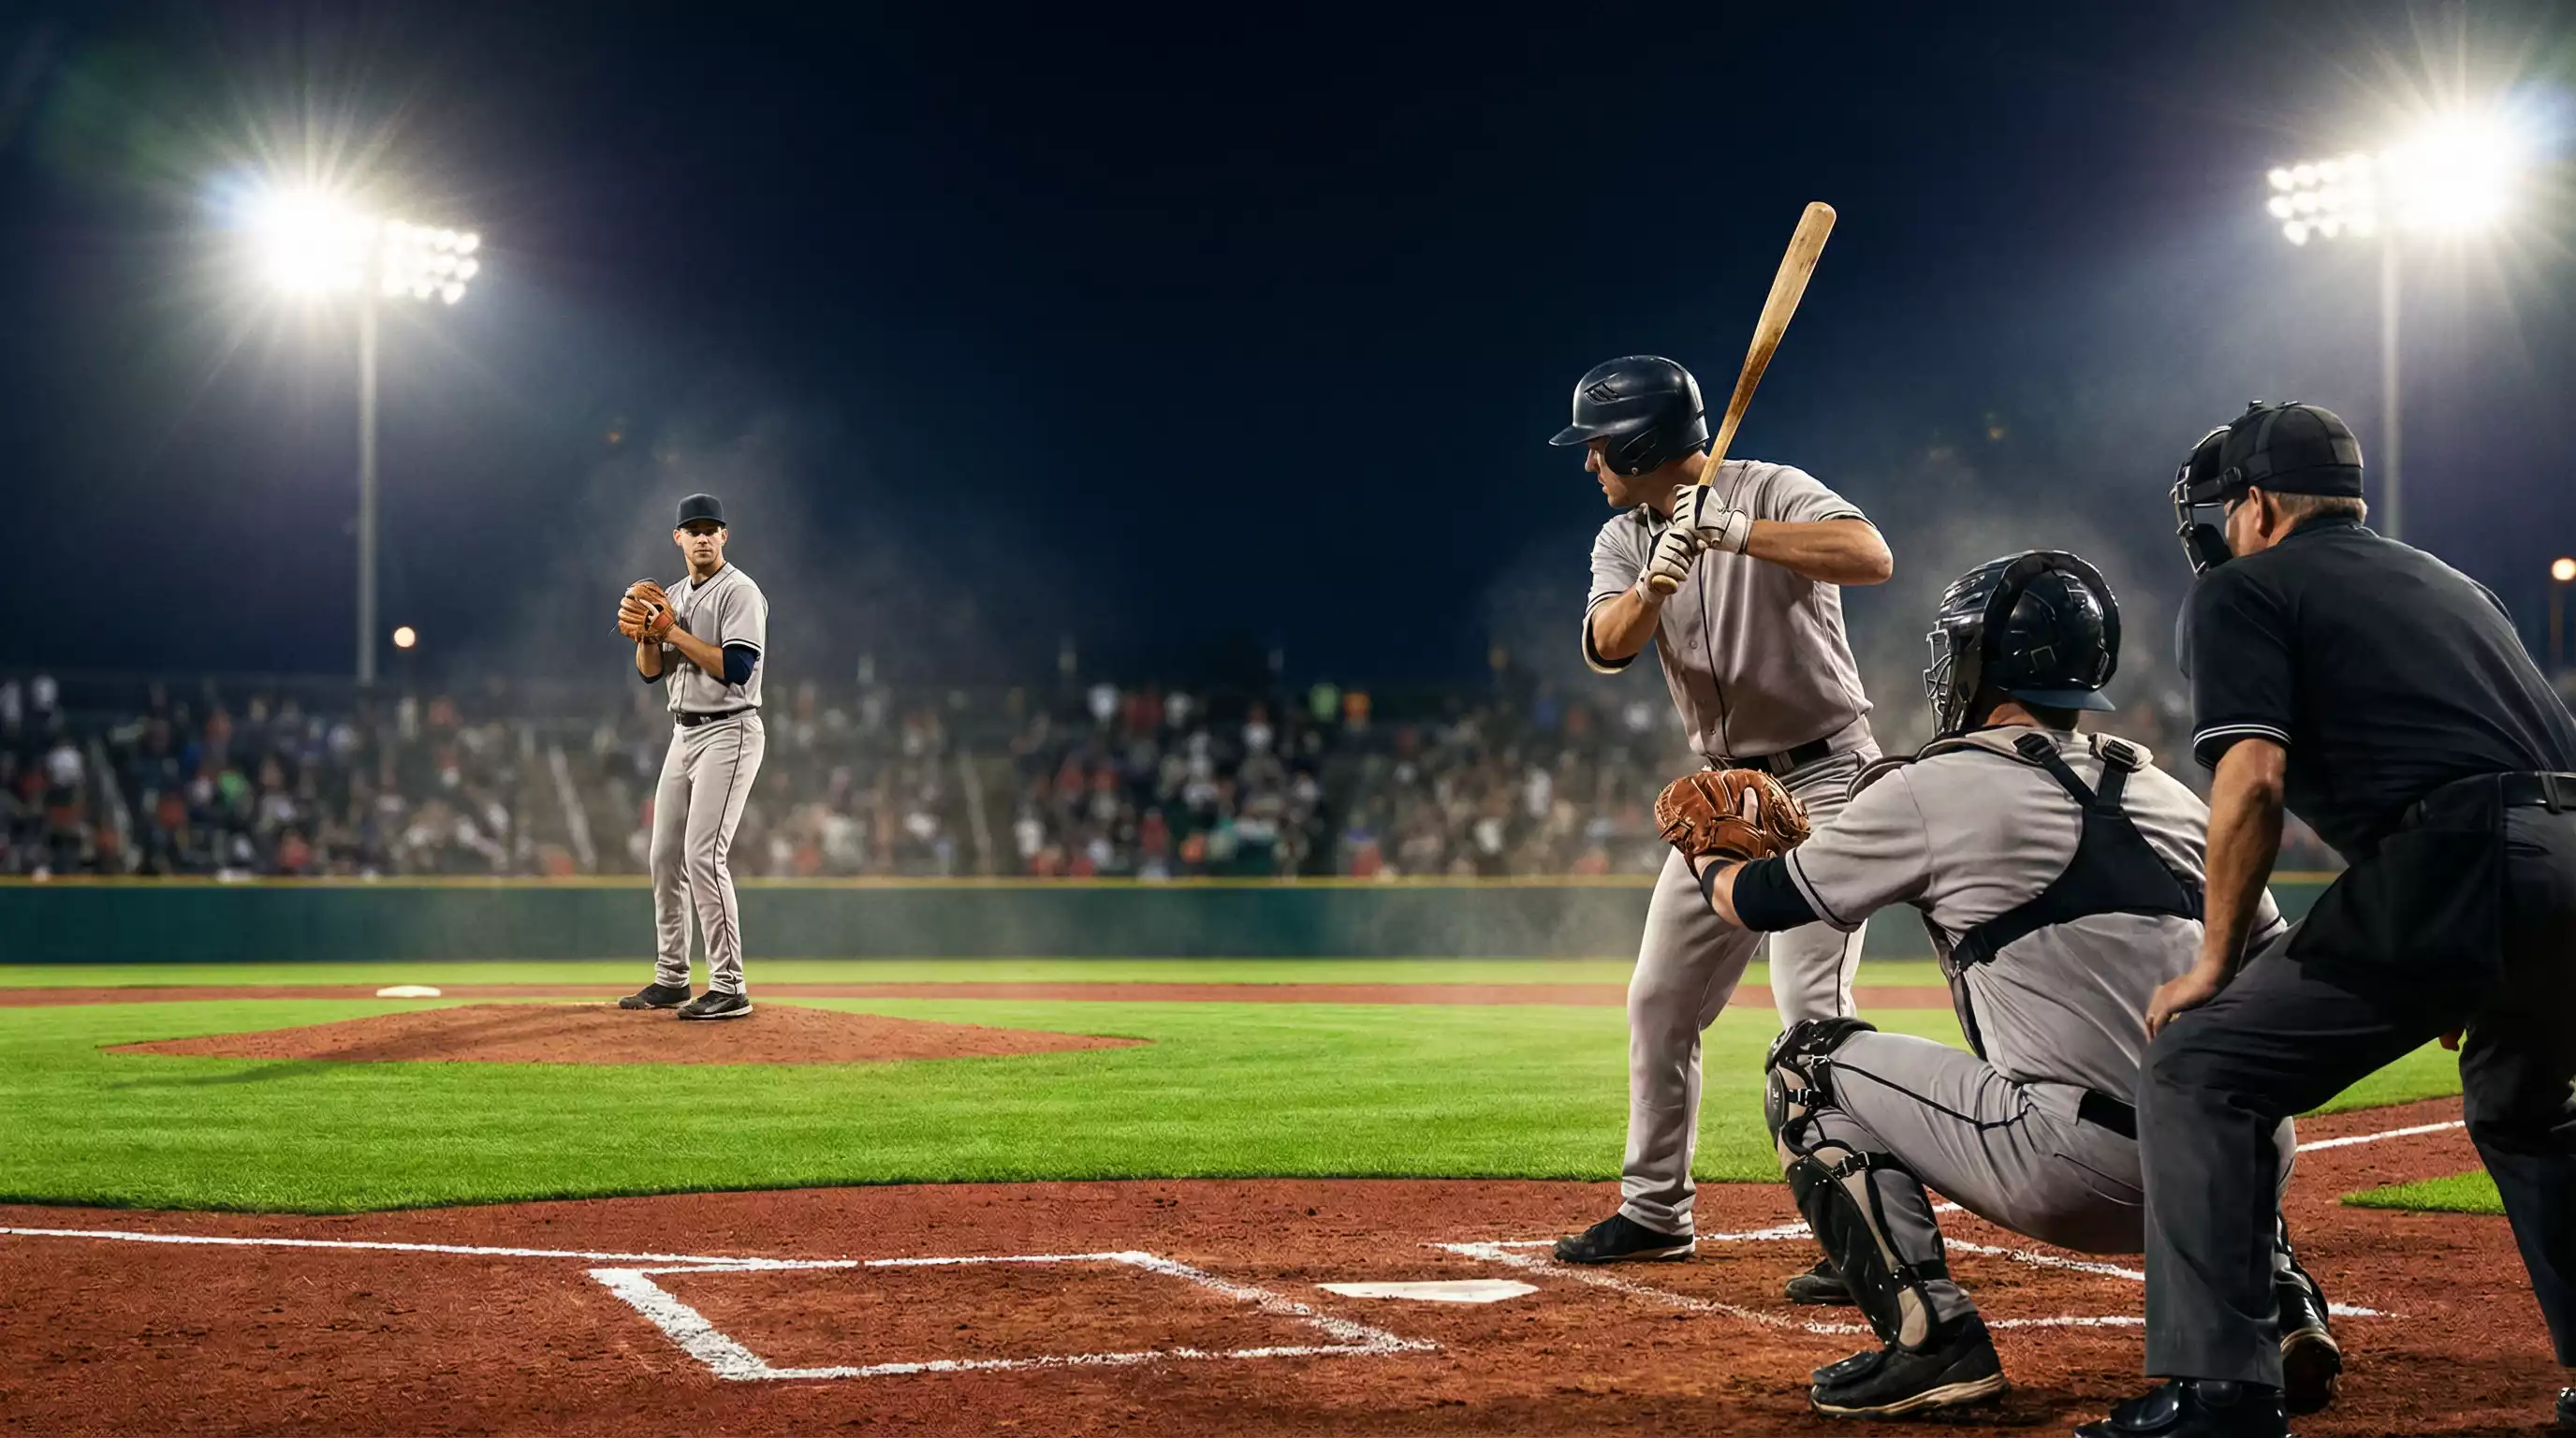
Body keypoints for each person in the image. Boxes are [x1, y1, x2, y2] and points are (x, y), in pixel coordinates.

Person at [1667, 550, 2336, 1419]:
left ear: (1982, 661)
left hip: (2082, 1175)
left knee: (1806, 1062)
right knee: (2222, 1081)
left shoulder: (1934, 786)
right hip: (2240, 1172)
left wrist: (1708, 855)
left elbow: (1762, 902)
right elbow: (2267, 973)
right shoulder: (2169, 789)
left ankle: (1931, 1342)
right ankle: (2280, 1301)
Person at [2074, 403, 2576, 1438]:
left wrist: (2212, 963)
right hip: (2558, 859)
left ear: (2256, 505)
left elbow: (2252, 785)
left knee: (2197, 1066)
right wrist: (2474, 949)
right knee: (2522, 1111)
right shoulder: (2453, 584)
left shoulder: (2243, 590)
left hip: (2462, 864)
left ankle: (2221, 1393)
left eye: (2224, 510)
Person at [1544, 355, 1895, 1268]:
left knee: (1808, 1003)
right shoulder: (1624, 539)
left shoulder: (1773, 487)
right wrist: (1652, 586)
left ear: (1640, 443)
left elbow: (1869, 556)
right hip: (1722, 798)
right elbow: (1604, 648)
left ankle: (1863, 1227)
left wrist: (1738, 532)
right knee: (1658, 1001)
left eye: (1597, 447)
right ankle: (1654, 1212)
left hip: (1826, 780)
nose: (1589, 465)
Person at [616, 492, 771, 1020]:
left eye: (712, 528)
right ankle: (672, 977)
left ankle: (730, 985)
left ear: (724, 536)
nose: (703, 536)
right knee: (663, 855)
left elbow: (736, 667)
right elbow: (651, 672)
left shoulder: (740, 591)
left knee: (703, 856)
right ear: (677, 538)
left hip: (731, 730)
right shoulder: (673, 594)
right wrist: (646, 635)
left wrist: (670, 630)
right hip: (682, 734)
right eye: (693, 529)